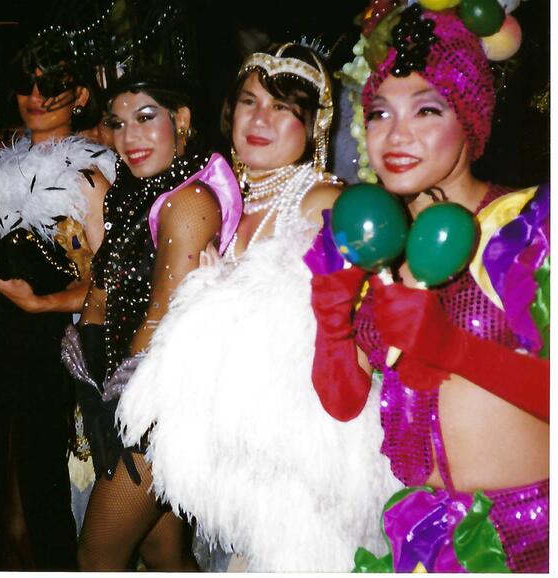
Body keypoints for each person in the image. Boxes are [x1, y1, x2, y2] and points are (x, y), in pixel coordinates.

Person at [114, 44, 400, 572]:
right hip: (234, 458)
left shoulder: (324, 205)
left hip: (305, 467)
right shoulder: (225, 203)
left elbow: (362, 340)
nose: (260, 119)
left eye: (282, 107)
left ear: (314, 125)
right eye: (249, 102)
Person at [308, 5, 548, 572]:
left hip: (533, 535)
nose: (397, 136)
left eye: (427, 110)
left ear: (470, 120)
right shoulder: (372, 244)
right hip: (424, 539)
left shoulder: (528, 227)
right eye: (379, 113)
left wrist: (453, 349)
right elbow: (343, 403)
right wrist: (330, 313)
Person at [59, 72, 243, 571]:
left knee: (96, 557)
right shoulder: (143, 192)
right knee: (160, 552)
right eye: (117, 125)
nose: (129, 138)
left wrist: (116, 411)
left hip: (154, 408)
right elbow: (103, 292)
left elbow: (161, 318)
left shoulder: (188, 200)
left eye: (145, 119)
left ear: (180, 120)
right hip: (132, 396)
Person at [0, 31, 115, 570]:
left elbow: (109, 284)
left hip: (52, 343)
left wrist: (39, 305)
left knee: (42, 490)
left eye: (54, 84)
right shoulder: (1, 168)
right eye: (28, 84)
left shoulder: (93, 173)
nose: (38, 95)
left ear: (79, 96)